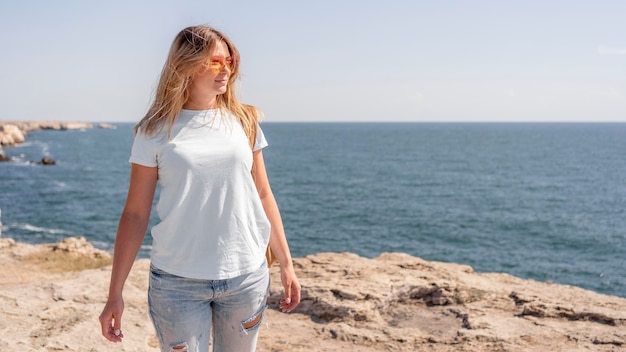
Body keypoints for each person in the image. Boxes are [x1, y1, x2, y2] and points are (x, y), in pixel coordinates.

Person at [99, 25, 301, 352]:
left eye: (231, 62)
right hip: (177, 284)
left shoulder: (245, 121)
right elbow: (135, 214)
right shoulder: (154, 131)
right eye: (217, 62)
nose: (227, 70)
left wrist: (287, 264)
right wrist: (114, 293)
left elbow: (263, 194)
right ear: (188, 65)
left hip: (246, 277)